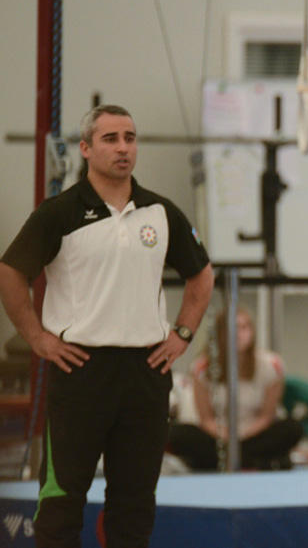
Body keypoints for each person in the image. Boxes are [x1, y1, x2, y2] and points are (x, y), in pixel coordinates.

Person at [0, 104, 214, 548]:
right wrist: (37, 337)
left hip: (146, 373)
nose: (123, 148)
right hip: (81, 371)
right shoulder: (59, 213)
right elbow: (10, 271)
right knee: (61, 504)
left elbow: (202, 275)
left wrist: (182, 336)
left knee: (134, 506)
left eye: (130, 138)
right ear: (86, 148)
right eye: (111, 139)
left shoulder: (160, 211)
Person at [167, 307, 303, 471]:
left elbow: (266, 416)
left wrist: (240, 437)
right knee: (177, 434)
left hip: (254, 434)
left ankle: (230, 461)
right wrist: (227, 436)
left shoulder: (271, 366)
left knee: (292, 428)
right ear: (221, 332)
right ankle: (254, 461)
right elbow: (206, 419)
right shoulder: (201, 368)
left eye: (244, 327)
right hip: (218, 436)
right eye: (233, 328)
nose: (239, 333)